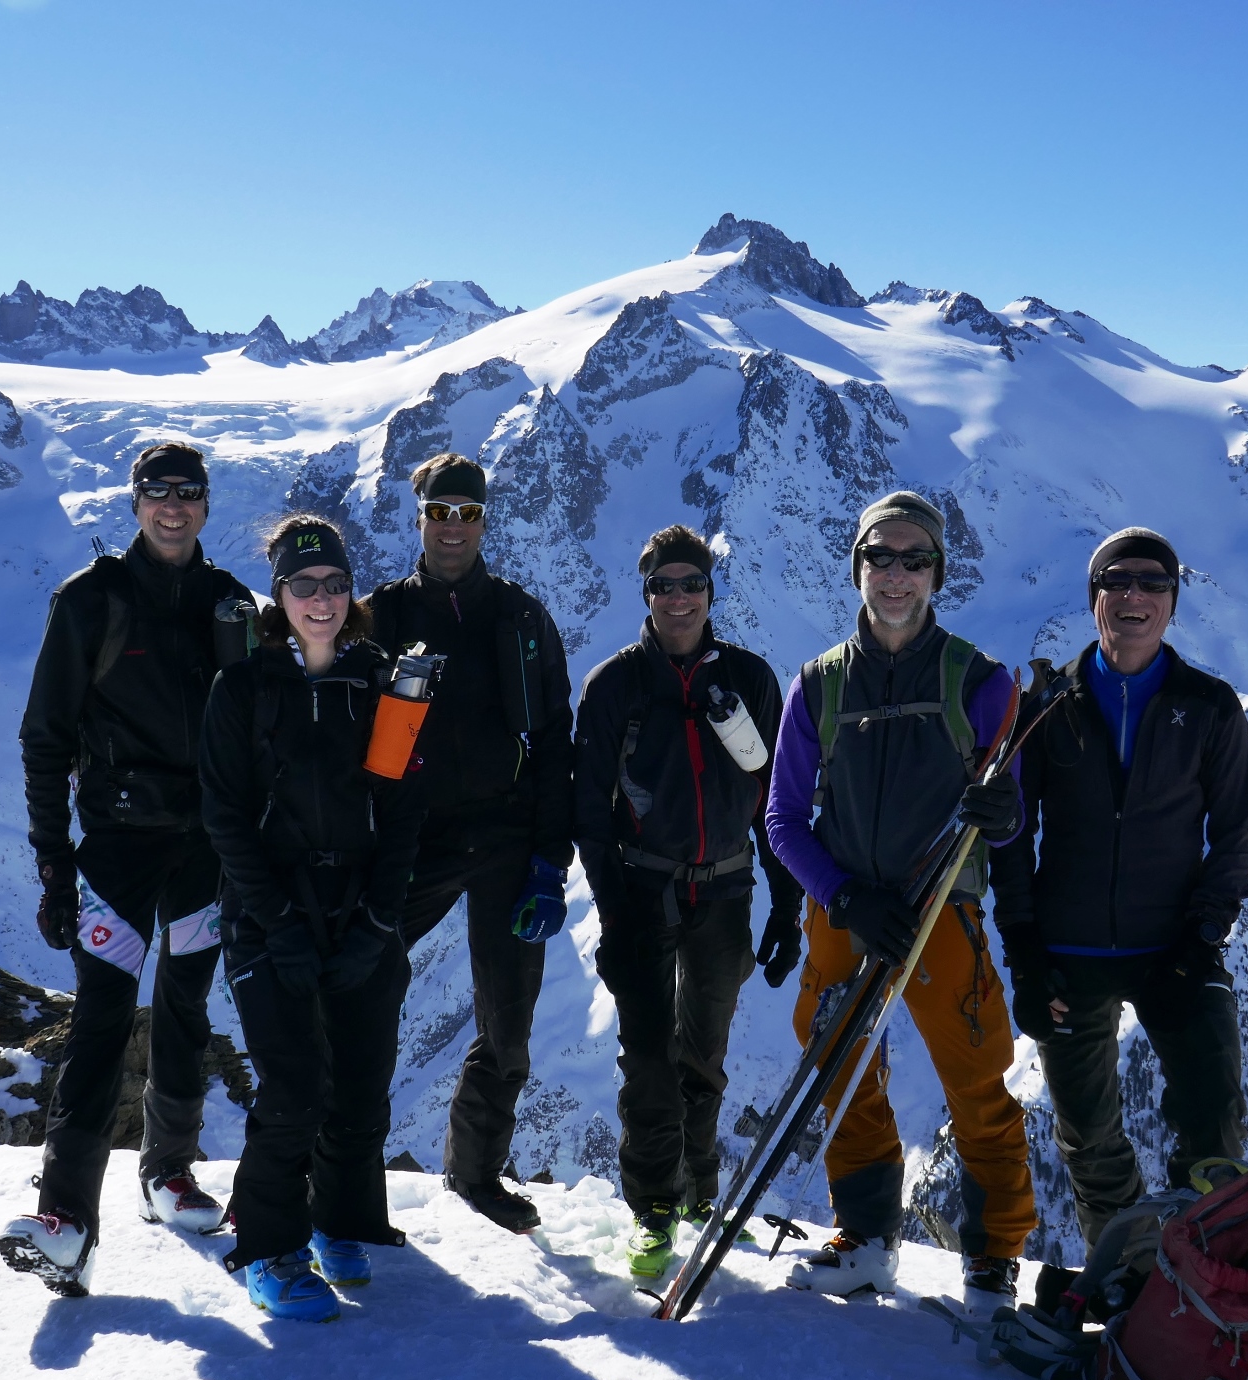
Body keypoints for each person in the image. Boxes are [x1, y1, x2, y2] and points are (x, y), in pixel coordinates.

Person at [765, 490, 1039, 1315]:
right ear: (858, 567)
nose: (895, 574)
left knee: (975, 1080)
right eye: (880, 556)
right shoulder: (817, 686)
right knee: (838, 1066)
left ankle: (991, 1262)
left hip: (940, 911)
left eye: (913, 559)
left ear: (937, 574)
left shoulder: (981, 684)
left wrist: (1003, 815)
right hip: (847, 911)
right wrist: (843, 895)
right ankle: (867, 1238)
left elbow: (1009, 815)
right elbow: (782, 818)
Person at [0, 442, 254, 1296]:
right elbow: (46, 738)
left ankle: (167, 1172)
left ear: (206, 505)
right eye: (157, 494)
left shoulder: (230, 605)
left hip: (204, 851)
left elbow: (259, 734)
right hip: (114, 848)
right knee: (103, 1019)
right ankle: (68, 1217)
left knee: (185, 1006)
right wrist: (52, 865)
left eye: (187, 493)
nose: (172, 507)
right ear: (135, 502)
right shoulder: (91, 600)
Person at [993, 526, 1248, 1301]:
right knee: (1089, 1139)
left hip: (1174, 946)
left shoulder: (1207, 707)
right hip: (1069, 951)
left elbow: (1239, 834)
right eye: (1118, 580)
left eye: (1153, 581)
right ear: (1094, 599)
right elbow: (1011, 838)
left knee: (1213, 1128)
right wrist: (1025, 955)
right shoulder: (1049, 707)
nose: (1135, 596)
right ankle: (1131, 1283)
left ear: (1173, 602)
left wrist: (1200, 934)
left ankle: (1203, 1284)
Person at [202, 515, 424, 1322]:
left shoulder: (384, 684)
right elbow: (223, 818)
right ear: (278, 595)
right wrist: (276, 922)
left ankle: (337, 1222)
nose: (321, 599)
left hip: (359, 905)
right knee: (295, 1087)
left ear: (350, 591)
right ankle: (268, 1247)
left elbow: (401, 814)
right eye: (304, 585)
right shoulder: (244, 689)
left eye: (334, 583)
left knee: (360, 1089)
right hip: (269, 914)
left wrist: (378, 920)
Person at [574, 525, 805, 1278]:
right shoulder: (615, 685)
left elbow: (778, 798)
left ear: (711, 591)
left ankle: (698, 1197)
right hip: (642, 887)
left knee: (704, 1052)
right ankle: (652, 1211)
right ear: (645, 594)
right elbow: (588, 808)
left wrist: (785, 903)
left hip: (728, 887)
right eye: (662, 585)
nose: (678, 598)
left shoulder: (752, 679)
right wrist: (612, 907)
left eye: (691, 584)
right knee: (647, 1055)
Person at [362, 453, 576, 1235]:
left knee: (508, 1024)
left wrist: (552, 860)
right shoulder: (379, 616)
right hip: (408, 842)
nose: (453, 526)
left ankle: (476, 1173)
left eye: (468, 513)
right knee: (362, 991)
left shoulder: (521, 618)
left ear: (486, 520)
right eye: (439, 511)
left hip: (508, 839)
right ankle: (346, 1160)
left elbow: (555, 739)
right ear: (417, 515)